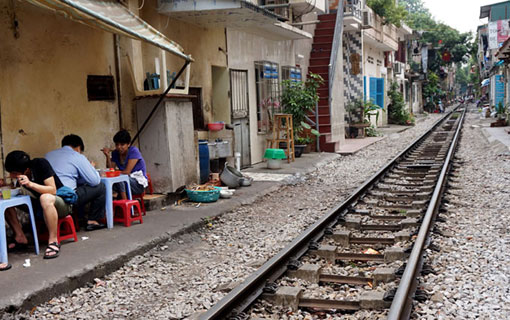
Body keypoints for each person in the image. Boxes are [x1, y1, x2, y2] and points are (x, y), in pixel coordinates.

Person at [3, 151, 71, 262]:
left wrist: (30, 184)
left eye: (14, 173)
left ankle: (53, 241)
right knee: (6, 202)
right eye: (10, 173)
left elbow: (52, 189)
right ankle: (20, 237)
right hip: (40, 206)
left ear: (26, 170)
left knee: (45, 198)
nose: (12, 176)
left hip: (59, 203)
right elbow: (13, 189)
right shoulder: (18, 177)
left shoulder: (40, 164)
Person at [46, 134, 107, 231]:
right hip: (66, 197)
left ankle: (79, 218)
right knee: (101, 187)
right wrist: (91, 167)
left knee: (79, 186)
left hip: (49, 195)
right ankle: (93, 220)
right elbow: (95, 181)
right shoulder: (77, 156)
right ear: (78, 148)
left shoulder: (49, 155)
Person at [102, 130, 147, 199]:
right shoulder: (115, 153)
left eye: (122, 144)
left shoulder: (133, 151)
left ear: (128, 144)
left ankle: (125, 202)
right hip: (124, 183)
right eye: (117, 144)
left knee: (120, 179)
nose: (119, 147)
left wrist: (115, 172)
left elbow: (126, 172)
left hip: (137, 184)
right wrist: (107, 156)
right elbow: (111, 170)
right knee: (104, 183)